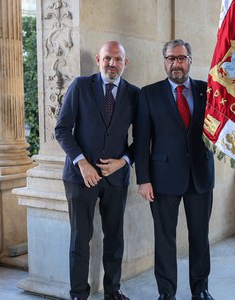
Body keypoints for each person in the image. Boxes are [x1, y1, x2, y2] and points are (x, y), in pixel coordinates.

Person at [55, 41, 139, 300]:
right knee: (81, 238)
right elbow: (61, 130)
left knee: (115, 238)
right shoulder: (81, 86)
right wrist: (82, 163)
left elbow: (142, 139)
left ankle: (113, 291)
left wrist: (123, 161)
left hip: (116, 178)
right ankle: (79, 293)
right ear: (98, 59)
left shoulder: (134, 94)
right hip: (80, 178)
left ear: (125, 63)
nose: (112, 64)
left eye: (117, 59)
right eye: (107, 59)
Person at [134, 39, 215, 300]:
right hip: (162, 179)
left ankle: (200, 289)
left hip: (200, 177)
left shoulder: (208, 91)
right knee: (165, 239)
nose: (175, 64)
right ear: (164, 61)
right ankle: (166, 292)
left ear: (190, 60)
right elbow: (142, 138)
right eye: (170, 58)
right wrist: (143, 179)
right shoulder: (149, 93)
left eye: (181, 58)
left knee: (200, 237)